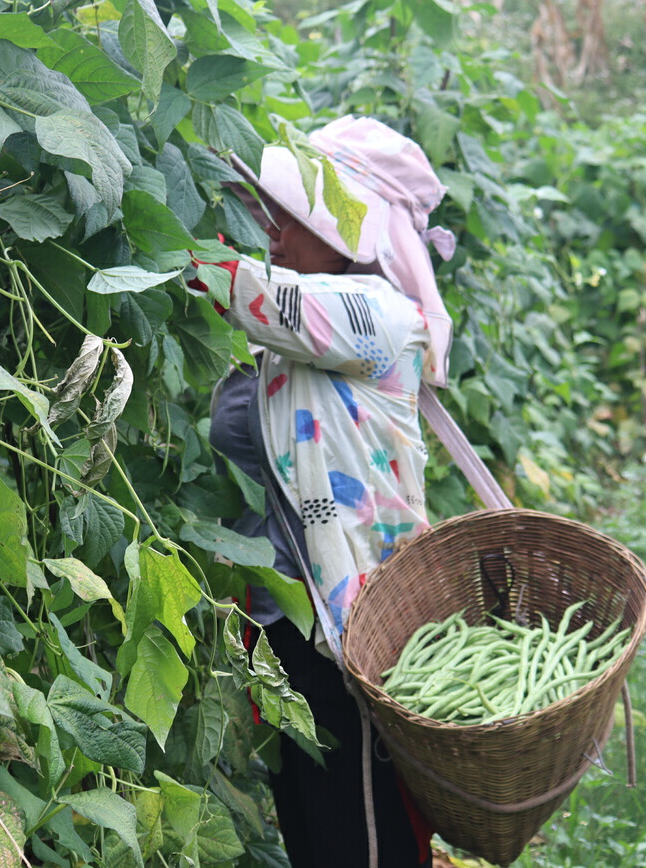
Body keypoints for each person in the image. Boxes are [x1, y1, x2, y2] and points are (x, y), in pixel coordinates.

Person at [195, 115, 457, 868]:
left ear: (356, 228)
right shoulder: (306, 327)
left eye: (295, 213)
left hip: (357, 633)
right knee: (316, 841)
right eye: (271, 210)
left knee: (367, 842)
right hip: (286, 630)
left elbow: (264, 300)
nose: (271, 228)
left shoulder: (381, 317)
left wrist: (157, 244)